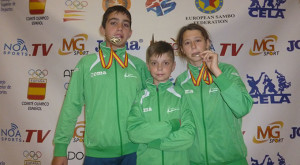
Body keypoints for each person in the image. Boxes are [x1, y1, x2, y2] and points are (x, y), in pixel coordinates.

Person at [52, 5, 150, 165]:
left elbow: (152, 106)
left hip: (136, 153)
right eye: (113, 23)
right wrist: (60, 149)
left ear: (130, 32)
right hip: (97, 156)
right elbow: (71, 106)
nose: (120, 28)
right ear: (102, 29)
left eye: (125, 24)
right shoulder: (86, 64)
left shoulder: (139, 66)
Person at [175, 23, 253, 165]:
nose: (193, 46)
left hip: (231, 160)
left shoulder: (227, 71)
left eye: (198, 40)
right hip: (194, 161)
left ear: (207, 43)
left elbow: (242, 107)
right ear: (182, 49)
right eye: (187, 43)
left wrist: (217, 72)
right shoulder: (181, 82)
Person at [127, 41, 196, 165]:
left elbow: (188, 136)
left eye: (165, 63)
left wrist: (156, 143)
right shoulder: (141, 97)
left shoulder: (181, 95)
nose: (159, 68)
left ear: (173, 66)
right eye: (154, 63)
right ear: (148, 66)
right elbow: (134, 133)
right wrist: (171, 125)